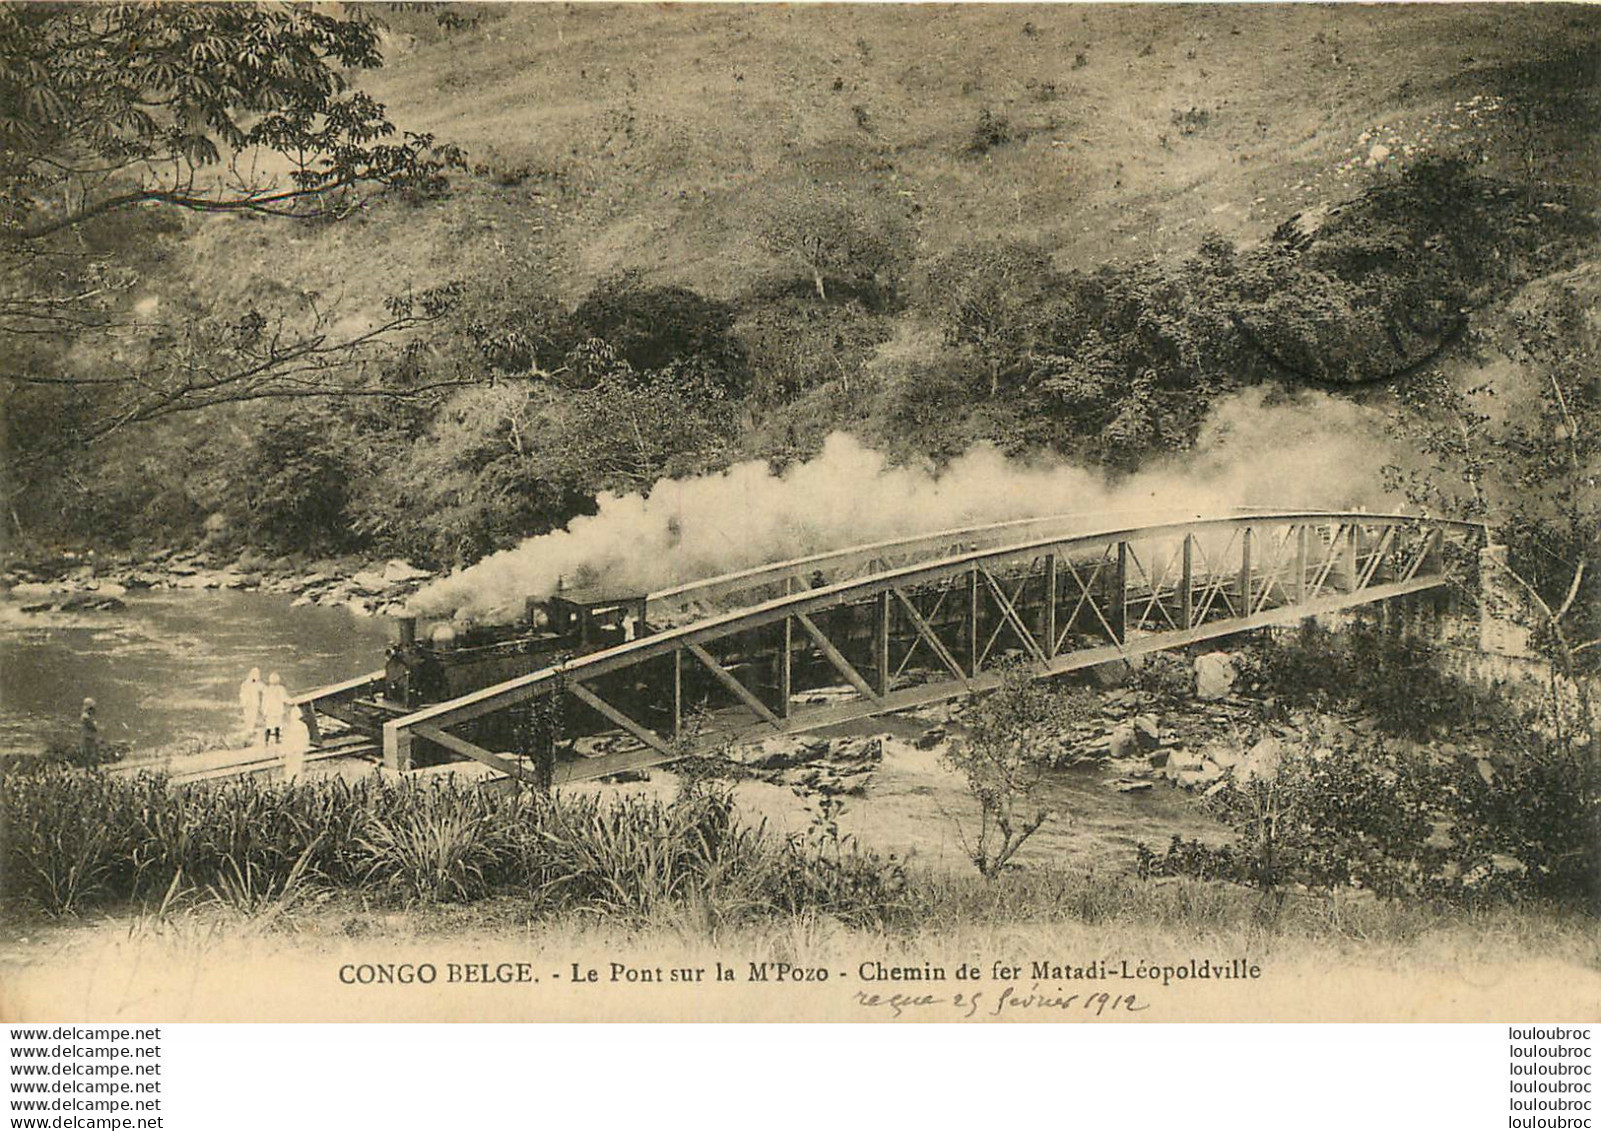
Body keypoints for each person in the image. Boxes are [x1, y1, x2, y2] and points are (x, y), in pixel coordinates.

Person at [260, 672, 289, 746]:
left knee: (269, 726)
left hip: (269, 710)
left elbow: (264, 701)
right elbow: (284, 698)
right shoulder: (280, 689)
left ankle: (266, 741)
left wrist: (264, 711)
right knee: (277, 725)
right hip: (277, 709)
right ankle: (277, 739)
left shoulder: (267, 689)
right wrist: (291, 702)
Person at [239, 668, 263, 741]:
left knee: (251, 718)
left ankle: (249, 731)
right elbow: (242, 694)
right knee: (249, 717)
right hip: (250, 703)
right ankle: (248, 731)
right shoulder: (248, 684)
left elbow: (264, 689)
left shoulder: (252, 683)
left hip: (251, 703)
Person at [79, 698, 99, 764]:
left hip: (89, 736)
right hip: (88, 737)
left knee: (90, 754)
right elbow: (92, 726)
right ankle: (90, 770)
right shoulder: (86, 716)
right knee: (90, 754)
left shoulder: (87, 716)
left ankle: (90, 770)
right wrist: (95, 725)